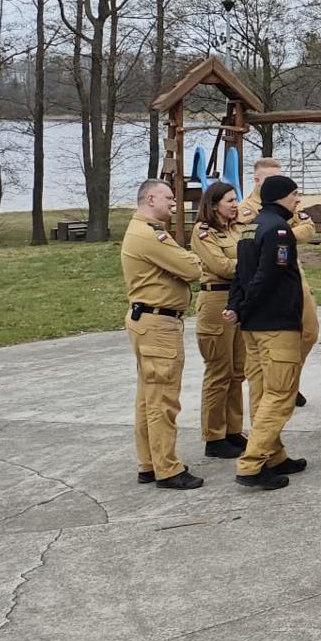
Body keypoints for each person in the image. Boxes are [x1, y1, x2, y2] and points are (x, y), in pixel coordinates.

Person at [229, 175, 313, 490]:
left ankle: (275, 455)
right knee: (281, 396)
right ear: (281, 197)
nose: (298, 201)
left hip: (253, 326)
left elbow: (240, 272)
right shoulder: (278, 230)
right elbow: (268, 276)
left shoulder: (249, 226)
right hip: (276, 324)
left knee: (265, 394)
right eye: (295, 195)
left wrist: (237, 307)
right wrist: (246, 305)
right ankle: (252, 464)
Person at [121, 180, 205, 489]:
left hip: (148, 321)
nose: (174, 203)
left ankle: (150, 463)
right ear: (151, 198)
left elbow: (182, 266)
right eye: (169, 197)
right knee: (162, 400)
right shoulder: (150, 234)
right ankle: (167, 469)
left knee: (148, 397)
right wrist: (189, 261)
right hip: (158, 325)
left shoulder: (144, 230)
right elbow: (193, 268)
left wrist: (181, 264)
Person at [240, 157, 317, 409]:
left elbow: (309, 227)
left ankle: (289, 381)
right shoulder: (247, 210)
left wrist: (280, 235)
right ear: (257, 180)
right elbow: (252, 244)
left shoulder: (285, 204)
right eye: (270, 178)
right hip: (267, 279)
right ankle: (273, 392)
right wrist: (277, 235)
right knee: (263, 353)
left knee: (309, 332)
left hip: (294, 276)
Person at [193, 182, 250, 459]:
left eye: (236, 199)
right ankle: (213, 436)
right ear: (214, 204)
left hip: (238, 301)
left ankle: (233, 429)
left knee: (238, 371)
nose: (235, 204)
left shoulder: (237, 229)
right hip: (216, 303)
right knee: (219, 371)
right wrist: (252, 263)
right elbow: (221, 267)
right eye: (229, 200)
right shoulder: (203, 233)